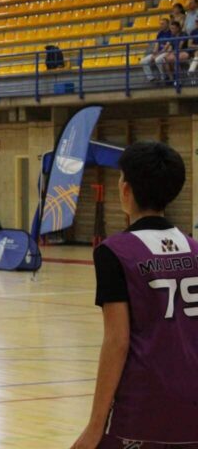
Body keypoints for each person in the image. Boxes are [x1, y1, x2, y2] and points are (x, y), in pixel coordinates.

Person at [69, 141, 198, 449]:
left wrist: (95, 425)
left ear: (125, 190)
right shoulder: (196, 250)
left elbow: (117, 341)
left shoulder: (115, 252)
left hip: (141, 408)